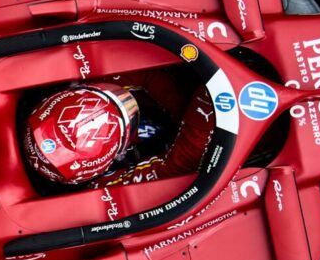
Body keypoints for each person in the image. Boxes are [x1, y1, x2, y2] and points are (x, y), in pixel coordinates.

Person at [21, 79, 214, 188]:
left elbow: (144, 74)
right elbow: (177, 166)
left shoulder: (74, 86)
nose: (128, 104)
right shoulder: (104, 186)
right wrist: (210, 99)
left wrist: (186, 107)